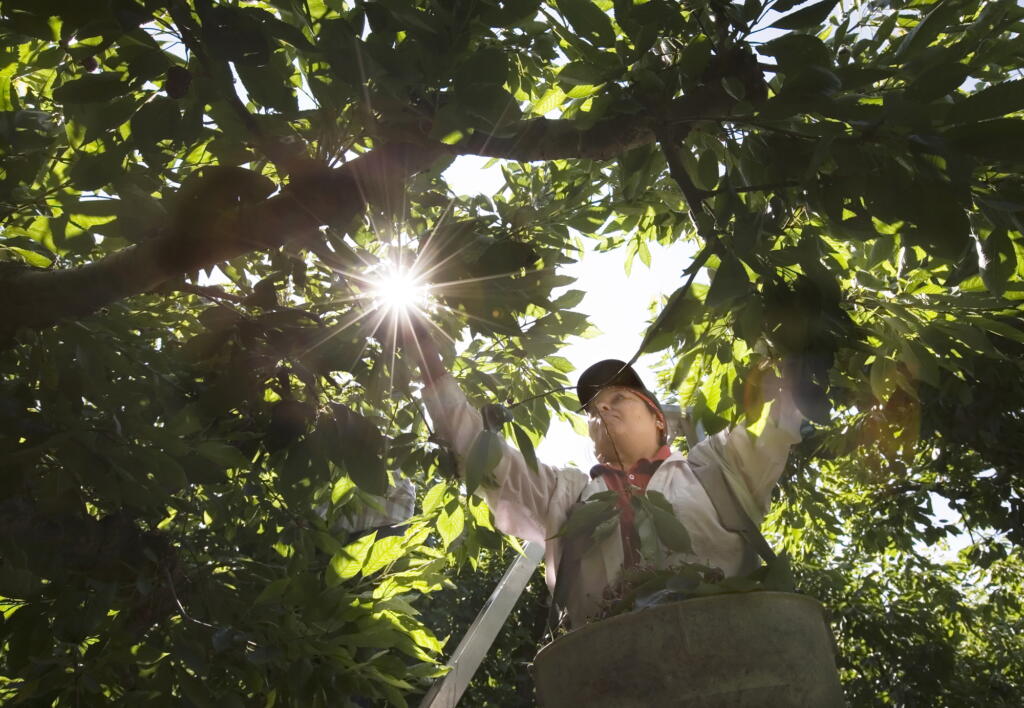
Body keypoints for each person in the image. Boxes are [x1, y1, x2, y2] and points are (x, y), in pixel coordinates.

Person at [401, 319, 803, 629]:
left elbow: (776, 413)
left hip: (738, 669)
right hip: (611, 678)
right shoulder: (567, 495)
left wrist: (785, 337)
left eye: (619, 398)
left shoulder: (719, 466)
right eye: (593, 411)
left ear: (659, 419)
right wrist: (429, 363)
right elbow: (484, 459)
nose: (602, 411)